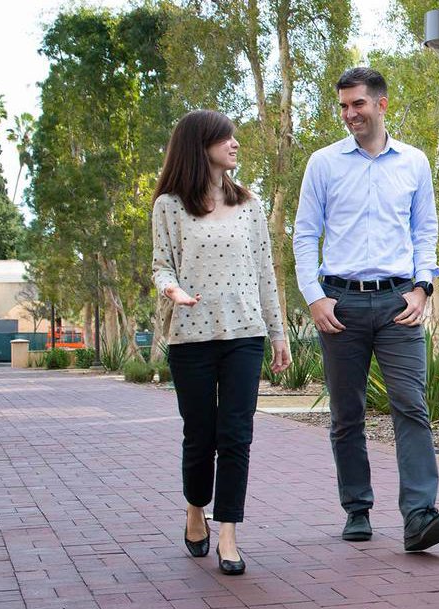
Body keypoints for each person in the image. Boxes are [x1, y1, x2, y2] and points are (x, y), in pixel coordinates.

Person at [293, 66, 439, 552]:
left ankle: (419, 516)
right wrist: (314, 297)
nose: (349, 114)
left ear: (381, 104)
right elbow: (304, 234)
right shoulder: (323, 164)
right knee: (347, 414)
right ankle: (357, 508)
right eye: (343, 106)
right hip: (338, 304)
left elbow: (426, 230)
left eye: (357, 104)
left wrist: (423, 287)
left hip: (397, 303)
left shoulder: (414, 163)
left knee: (412, 405)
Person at [151, 110, 292, 575]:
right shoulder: (170, 205)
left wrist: (279, 335)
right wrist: (172, 290)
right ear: (199, 145)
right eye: (224, 137)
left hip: (245, 337)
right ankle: (195, 508)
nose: (234, 144)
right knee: (200, 434)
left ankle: (227, 531)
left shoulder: (249, 204)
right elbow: (161, 265)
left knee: (236, 435)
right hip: (191, 338)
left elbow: (265, 273)